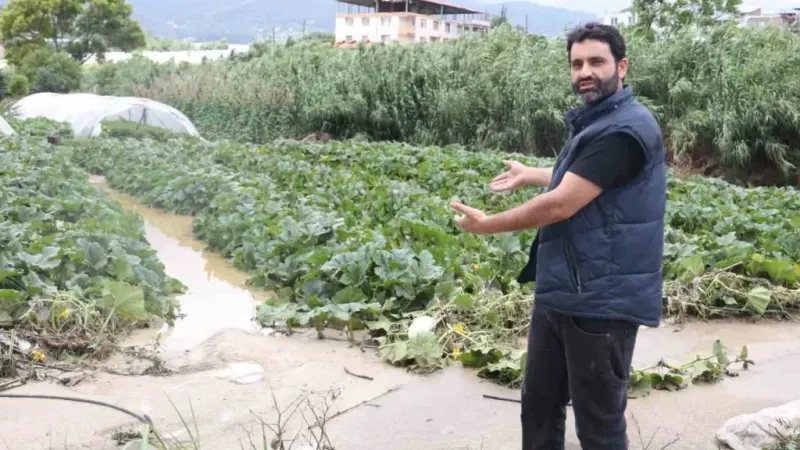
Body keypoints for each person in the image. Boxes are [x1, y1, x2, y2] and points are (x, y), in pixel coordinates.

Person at [449, 22, 666, 450]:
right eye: (577, 63)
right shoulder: (603, 121)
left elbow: (561, 203)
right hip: (564, 288)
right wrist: (533, 175)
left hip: (600, 300)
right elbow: (593, 178)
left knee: (599, 423)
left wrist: (487, 224)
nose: (585, 71)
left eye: (596, 62)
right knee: (540, 405)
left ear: (621, 67)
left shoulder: (625, 130)